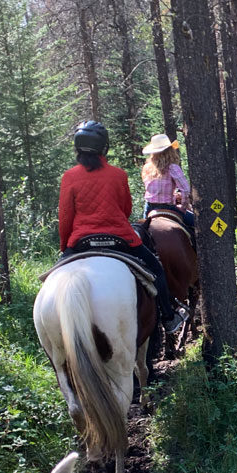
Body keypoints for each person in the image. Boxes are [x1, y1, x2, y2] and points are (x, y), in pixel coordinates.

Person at [58, 120, 189, 334]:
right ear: (104, 147)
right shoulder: (118, 174)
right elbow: (126, 210)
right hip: (119, 237)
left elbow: (65, 217)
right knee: (155, 269)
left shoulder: (69, 177)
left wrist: (66, 247)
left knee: (53, 279)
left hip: (81, 240)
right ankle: (168, 316)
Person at [141, 133, 196, 237]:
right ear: (170, 151)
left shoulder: (147, 168)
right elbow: (186, 190)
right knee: (197, 223)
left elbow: (154, 191)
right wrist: (183, 208)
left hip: (149, 207)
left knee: (143, 233)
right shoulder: (172, 168)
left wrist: (174, 196)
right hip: (167, 207)